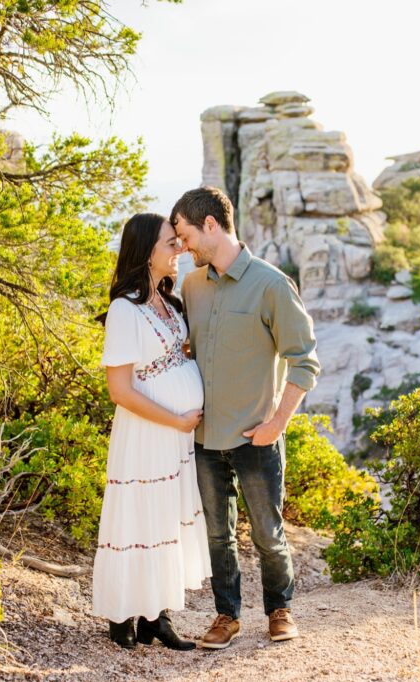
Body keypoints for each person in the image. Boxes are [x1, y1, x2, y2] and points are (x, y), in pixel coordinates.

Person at [171, 187, 320, 649]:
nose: (183, 245)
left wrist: (278, 423)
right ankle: (226, 616)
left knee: (268, 535)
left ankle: (280, 610)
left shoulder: (272, 284)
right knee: (219, 536)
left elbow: (305, 361)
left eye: (185, 234)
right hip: (204, 438)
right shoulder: (192, 286)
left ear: (210, 225)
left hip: (256, 437)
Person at [92, 213, 212, 650]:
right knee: (138, 518)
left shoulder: (169, 300)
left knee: (165, 520)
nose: (178, 249)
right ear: (145, 252)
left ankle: (155, 617)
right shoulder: (124, 310)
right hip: (147, 433)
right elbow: (120, 390)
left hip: (175, 437)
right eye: (169, 243)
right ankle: (122, 614)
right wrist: (176, 418)